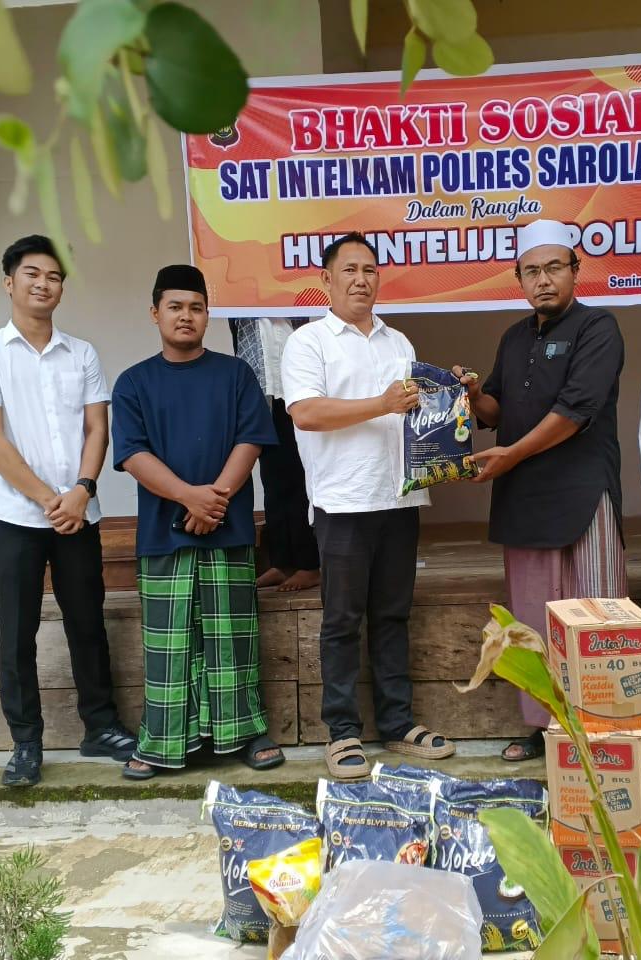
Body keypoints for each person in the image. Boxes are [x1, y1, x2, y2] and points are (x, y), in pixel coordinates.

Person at [0, 234, 135, 787]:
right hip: (17, 518)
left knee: (88, 623)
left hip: (79, 514)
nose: (44, 284)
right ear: (9, 282)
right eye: (32, 274)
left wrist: (82, 489)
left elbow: (97, 426)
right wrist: (47, 498)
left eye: (54, 276)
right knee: (18, 631)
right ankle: (25, 742)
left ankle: (99, 727)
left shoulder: (80, 353)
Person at [281, 231, 455, 780]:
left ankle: (398, 724)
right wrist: (381, 403)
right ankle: (342, 731)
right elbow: (306, 413)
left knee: (391, 615)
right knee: (341, 620)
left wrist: (448, 397)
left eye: (371, 270)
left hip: (399, 497)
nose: (362, 279)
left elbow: (409, 416)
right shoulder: (309, 342)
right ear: (326, 280)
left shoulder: (397, 343)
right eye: (350, 269)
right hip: (343, 501)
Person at [455, 219, 627, 762]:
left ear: (576, 270)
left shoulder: (598, 327)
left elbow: (573, 414)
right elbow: (497, 413)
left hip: (583, 495)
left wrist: (509, 455)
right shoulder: (512, 337)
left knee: (593, 613)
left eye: (555, 267)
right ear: (519, 277)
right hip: (525, 499)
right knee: (531, 619)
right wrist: (476, 393)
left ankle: (600, 727)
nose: (544, 280)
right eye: (532, 271)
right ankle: (543, 725)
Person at [112, 265, 284, 779]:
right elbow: (131, 453)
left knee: (232, 643)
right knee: (169, 646)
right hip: (162, 536)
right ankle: (163, 741)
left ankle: (246, 733)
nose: (186, 316)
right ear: (155, 313)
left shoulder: (235, 374)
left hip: (227, 531)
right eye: (175, 307)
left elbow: (251, 439)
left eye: (196, 307)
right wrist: (190, 497)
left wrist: (216, 501)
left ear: (208, 314)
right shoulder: (133, 382)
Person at [229, 317, 321, 592]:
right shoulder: (240, 293)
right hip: (260, 387)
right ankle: (282, 562)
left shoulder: (282, 283)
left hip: (294, 388)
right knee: (271, 476)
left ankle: (309, 564)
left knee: (296, 473)